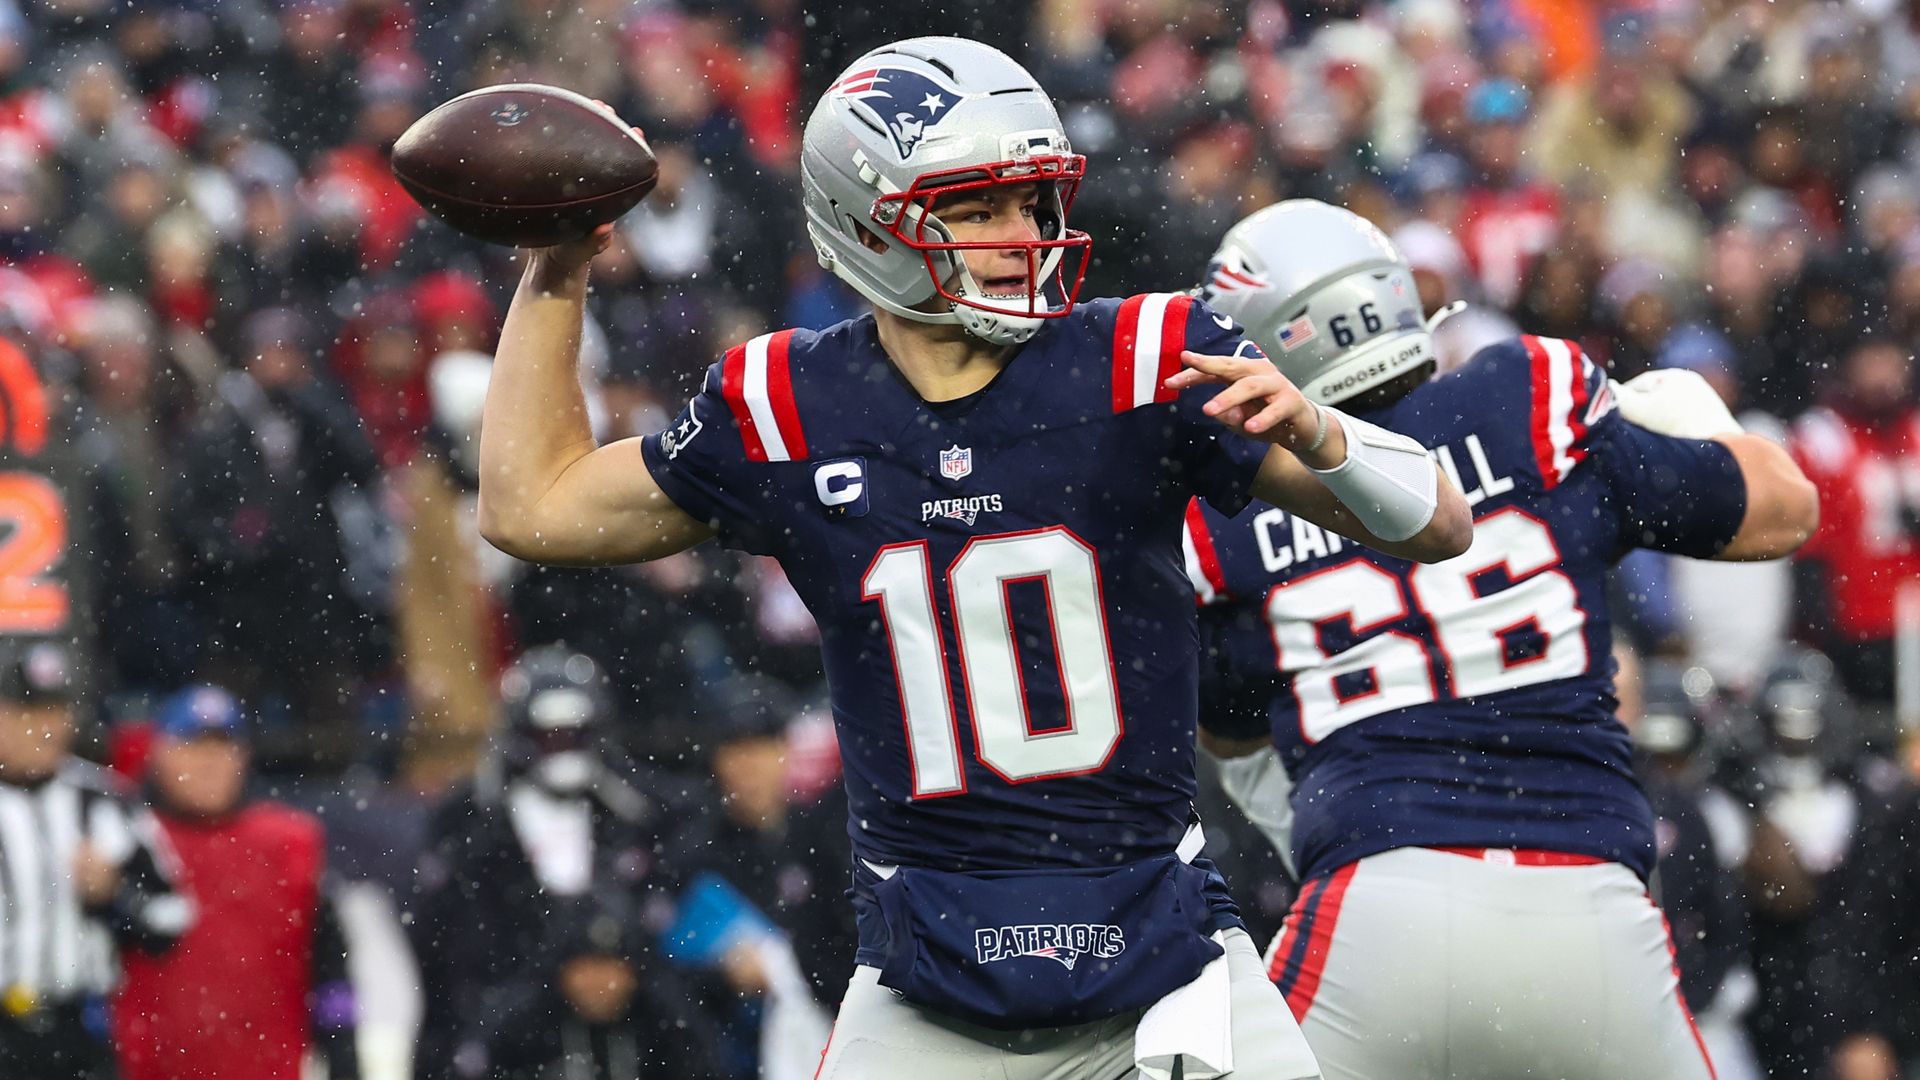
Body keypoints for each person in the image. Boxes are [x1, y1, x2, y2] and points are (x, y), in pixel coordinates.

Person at [478, 36, 1470, 1079]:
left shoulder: (1145, 353)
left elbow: (1438, 523)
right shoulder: (787, 405)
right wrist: (557, 270)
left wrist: (1322, 430)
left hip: (1168, 969)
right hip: (928, 985)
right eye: (978, 207)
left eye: (1035, 204)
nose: (1020, 236)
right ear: (868, 221)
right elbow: (531, 506)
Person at [1187, 199, 1818, 1080]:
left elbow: (1230, 736)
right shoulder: (1527, 396)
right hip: (1591, 902)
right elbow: (1786, 511)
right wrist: (1696, 421)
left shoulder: (1232, 507)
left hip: (1378, 903)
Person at [407, 646, 711, 1080]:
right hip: (505, 1040)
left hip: (626, 1036)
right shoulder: (470, 821)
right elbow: (441, 949)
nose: (562, 749)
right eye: (547, 736)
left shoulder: (643, 811)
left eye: (575, 734)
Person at [111, 684, 360, 1080]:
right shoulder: (125, 836)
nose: (210, 762)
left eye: (223, 746)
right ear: (159, 752)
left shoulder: (289, 843)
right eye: (193, 745)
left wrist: (346, 1055)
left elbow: (330, 968)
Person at [0, 641, 192, 1079]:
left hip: (77, 1035)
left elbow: (171, 919)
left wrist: (113, 897)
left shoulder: (104, 801)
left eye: (54, 713)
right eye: (25, 714)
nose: (42, 729)